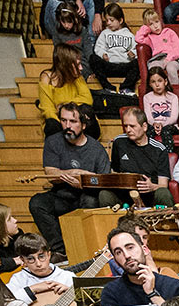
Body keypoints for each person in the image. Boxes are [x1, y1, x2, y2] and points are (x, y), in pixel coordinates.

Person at [28, 103, 116, 250]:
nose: (67, 125)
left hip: (87, 194)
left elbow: (103, 181)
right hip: (61, 195)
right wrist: (72, 173)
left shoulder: (96, 148)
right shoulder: (53, 142)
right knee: (37, 203)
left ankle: (88, 248)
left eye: (73, 121)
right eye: (64, 120)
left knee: (91, 201)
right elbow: (50, 174)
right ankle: (60, 250)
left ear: (83, 125)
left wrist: (84, 181)